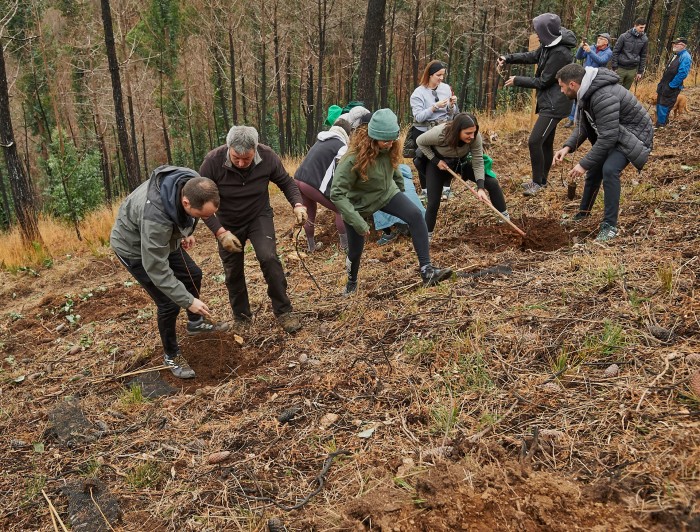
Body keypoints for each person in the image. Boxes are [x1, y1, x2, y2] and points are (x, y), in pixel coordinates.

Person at [110, 166, 230, 379]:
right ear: (186, 203)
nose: (203, 219)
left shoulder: (192, 182)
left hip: (163, 240)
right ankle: (171, 355)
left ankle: (195, 323)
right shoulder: (156, 219)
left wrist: (185, 231)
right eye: (200, 215)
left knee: (193, 274)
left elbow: (187, 215)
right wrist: (188, 300)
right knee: (168, 302)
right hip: (135, 248)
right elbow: (156, 267)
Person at [330, 109, 453, 295]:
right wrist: (358, 221)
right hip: (359, 206)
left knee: (416, 215)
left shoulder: (390, 147)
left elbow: (393, 165)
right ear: (372, 137)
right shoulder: (351, 159)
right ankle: (351, 282)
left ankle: (427, 271)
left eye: (392, 139)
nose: (389, 144)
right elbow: (337, 194)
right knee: (355, 252)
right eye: (384, 140)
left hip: (386, 194)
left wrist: (400, 189)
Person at [199, 126, 307, 333]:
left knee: (269, 258)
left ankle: (284, 311)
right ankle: (242, 317)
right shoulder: (212, 162)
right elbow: (199, 202)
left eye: (246, 159)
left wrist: (298, 204)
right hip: (227, 222)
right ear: (228, 148)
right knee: (232, 270)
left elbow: (286, 182)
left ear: (255, 149)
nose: (240, 163)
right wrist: (220, 232)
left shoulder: (267, 157)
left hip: (259, 216)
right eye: (236, 158)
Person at [553, 63, 653, 242]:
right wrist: (567, 147)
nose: (561, 91)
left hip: (633, 135)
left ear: (573, 85)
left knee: (609, 170)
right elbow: (585, 124)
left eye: (562, 86)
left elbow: (608, 137)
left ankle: (610, 226)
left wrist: (582, 164)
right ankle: (583, 213)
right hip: (616, 133)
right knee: (595, 170)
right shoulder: (586, 92)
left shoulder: (602, 95)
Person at [498, 13, 576, 196]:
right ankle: (542, 181)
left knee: (534, 141)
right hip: (549, 101)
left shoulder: (560, 53)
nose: (537, 35)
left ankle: (536, 183)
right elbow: (533, 55)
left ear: (546, 31)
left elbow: (543, 81)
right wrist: (508, 58)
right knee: (546, 143)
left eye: (538, 31)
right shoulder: (549, 44)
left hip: (555, 105)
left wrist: (518, 80)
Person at [417, 113, 509, 239]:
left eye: (474, 132)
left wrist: (480, 187)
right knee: (433, 203)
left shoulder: (475, 137)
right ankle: (426, 238)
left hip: (460, 162)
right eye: (468, 133)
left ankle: (505, 220)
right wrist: (435, 161)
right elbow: (420, 141)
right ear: (457, 130)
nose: (472, 136)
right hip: (438, 164)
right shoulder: (440, 134)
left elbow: (477, 160)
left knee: (492, 183)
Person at [294, 119, 352, 252]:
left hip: (298, 179)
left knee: (309, 211)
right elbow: (341, 170)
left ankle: (311, 247)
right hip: (312, 184)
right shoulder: (341, 145)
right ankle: (345, 247)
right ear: (347, 133)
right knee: (341, 209)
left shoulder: (321, 140)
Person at [410, 60, 459, 201]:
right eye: (438, 75)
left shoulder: (445, 89)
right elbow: (418, 117)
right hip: (423, 130)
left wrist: (451, 105)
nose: (441, 78)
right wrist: (434, 107)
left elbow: (451, 114)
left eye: (443, 75)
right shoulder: (418, 93)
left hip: (443, 128)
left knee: (447, 156)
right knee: (422, 159)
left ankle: (446, 189)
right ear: (430, 75)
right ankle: (425, 191)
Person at [565, 33, 612, 127]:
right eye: (598, 38)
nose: (598, 40)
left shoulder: (608, 52)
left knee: (591, 98)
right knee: (578, 96)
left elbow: (601, 61)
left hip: (596, 77)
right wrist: (581, 47)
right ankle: (571, 119)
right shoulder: (592, 47)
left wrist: (590, 51)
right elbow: (579, 57)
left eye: (601, 39)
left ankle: (585, 120)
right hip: (584, 75)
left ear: (606, 42)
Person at [373, 164, 425, 245]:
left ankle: (389, 233)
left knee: (373, 201)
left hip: (407, 222)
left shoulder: (379, 178)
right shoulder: (405, 175)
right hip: (422, 220)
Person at [655, 37, 692, 128]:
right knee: (660, 103)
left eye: (677, 43)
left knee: (664, 105)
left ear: (683, 45)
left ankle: (661, 126)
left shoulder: (685, 57)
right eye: (674, 43)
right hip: (664, 85)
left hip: (671, 86)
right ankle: (660, 123)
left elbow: (682, 73)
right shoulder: (676, 54)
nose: (674, 45)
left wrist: (672, 85)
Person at [611, 18, 648, 90]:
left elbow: (643, 56)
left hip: (632, 69)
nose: (642, 29)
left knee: (625, 92)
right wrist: (614, 66)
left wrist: (640, 72)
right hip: (620, 68)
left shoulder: (645, 39)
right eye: (641, 27)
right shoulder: (624, 36)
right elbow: (615, 51)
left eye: (644, 27)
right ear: (635, 26)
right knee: (615, 89)